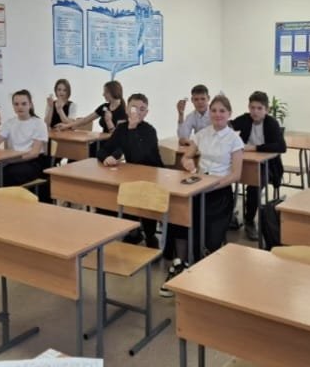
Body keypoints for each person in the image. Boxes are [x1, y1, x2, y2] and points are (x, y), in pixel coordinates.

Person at [160, 95, 243, 297]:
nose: (217, 114)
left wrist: (212, 186)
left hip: (219, 192)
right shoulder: (202, 134)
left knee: (210, 237)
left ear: (229, 114)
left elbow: (236, 175)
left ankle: (204, 273)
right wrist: (187, 162)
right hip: (198, 188)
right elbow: (187, 156)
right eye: (214, 110)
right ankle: (180, 263)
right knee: (180, 218)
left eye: (222, 111)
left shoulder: (234, 139)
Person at [97, 93, 163, 248]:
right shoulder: (121, 128)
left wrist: (132, 128)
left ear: (146, 113)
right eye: (134, 108)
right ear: (127, 109)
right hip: (131, 174)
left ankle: (150, 235)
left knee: (143, 194)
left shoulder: (149, 131)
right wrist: (107, 157)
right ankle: (133, 231)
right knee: (113, 192)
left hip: (152, 174)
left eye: (142, 109)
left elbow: (139, 156)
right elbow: (103, 150)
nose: (137, 112)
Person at [231, 91, 287, 240]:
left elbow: (281, 147)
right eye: (252, 107)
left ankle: (249, 220)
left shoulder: (271, 123)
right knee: (221, 177)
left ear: (266, 110)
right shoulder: (245, 119)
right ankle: (229, 215)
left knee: (255, 185)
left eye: (259, 108)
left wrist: (254, 148)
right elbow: (229, 125)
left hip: (267, 165)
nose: (255, 111)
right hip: (244, 163)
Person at [0, 89, 50, 202]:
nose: (20, 107)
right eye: (16, 104)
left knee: (5, 174)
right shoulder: (10, 122)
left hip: (33, 162)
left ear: (30, 105)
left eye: (23, 104)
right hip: (14, 160)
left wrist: (11, 160)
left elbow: (34, 153)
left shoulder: (39, 123)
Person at [56, 80, 126, 135]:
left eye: (105, 92)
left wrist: (109, 121)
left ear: (113, 92)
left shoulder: (123, 111)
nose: (103, 94)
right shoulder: (104, 107)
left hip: (115, 146)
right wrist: (67, 126)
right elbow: (85, 120)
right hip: (103, 141)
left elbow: (118, 136)